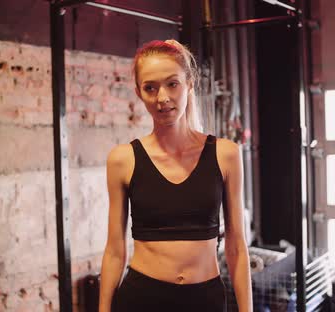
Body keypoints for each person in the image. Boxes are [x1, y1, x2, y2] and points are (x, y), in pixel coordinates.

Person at [98, 39, 253, 312]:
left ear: (189, 83)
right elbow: (114, 250)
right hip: (142, 299)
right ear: (139, 92)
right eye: (150, 88)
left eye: (172, 83)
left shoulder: (225, 154)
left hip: (206, 300)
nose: (162, 98)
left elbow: (237, 247)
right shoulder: (123, 159)